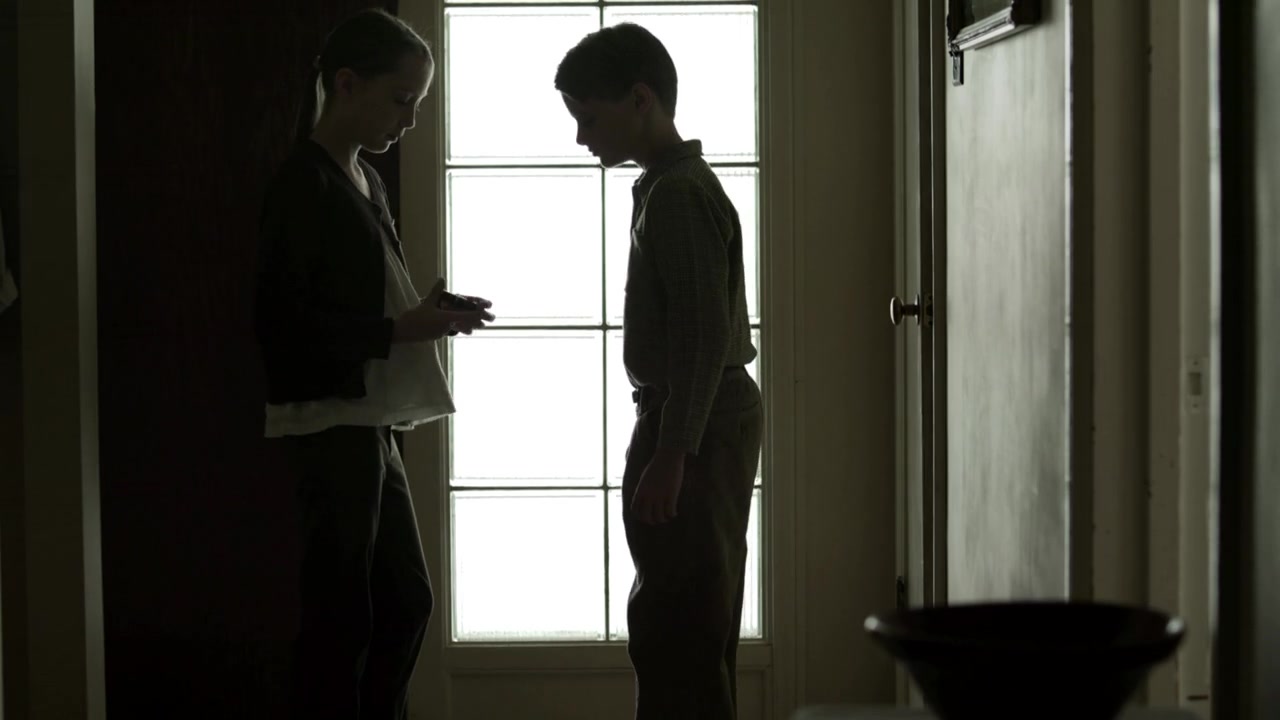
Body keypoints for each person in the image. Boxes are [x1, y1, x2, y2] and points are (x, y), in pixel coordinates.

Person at [253, 9, 493, 719]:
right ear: (347, 84)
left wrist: (424, 311)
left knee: (403, 601)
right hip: (328, 421)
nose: (411, 119)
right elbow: (282, 327)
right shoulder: (303, 183)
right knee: (342, 617)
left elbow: (363, 294)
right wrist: (398, 329)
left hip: (370, 421)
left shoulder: (366, 180)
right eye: (402, 99)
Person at [556, 22, 764, 720]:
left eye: (589, 118)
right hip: (697, 414)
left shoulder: (677, 195)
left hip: (694, 419)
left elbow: (703, 337)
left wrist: (673, 453)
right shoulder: (667, 186)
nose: (581, 138)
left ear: (640, 99)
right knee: (687, 618)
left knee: (680, 625)